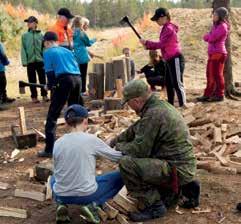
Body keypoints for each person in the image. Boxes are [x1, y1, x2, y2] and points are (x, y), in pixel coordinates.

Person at [110, 80, 200, 222]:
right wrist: (113, 141)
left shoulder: (153, 114)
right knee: (143, 159)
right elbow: (134, 129)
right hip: (181, 165)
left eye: (129, 103)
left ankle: (154, 207)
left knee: (127, 163)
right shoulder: (158, 106)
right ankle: (185, 187)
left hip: (175, 168)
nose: (129, 107)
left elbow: (139, 151)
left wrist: (118, 147)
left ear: (137, 101)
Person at [51, 104, 123, 223]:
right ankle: (92, 205)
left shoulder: (58, 142)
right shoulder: (91, 140)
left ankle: (61, 205)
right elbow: (117, 158)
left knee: (53, 178)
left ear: (67, 123)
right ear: (85, 121)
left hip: (62, 194)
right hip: (86, 195)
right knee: (120, 176)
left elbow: (59, 168)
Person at [37, 32, 84, 158]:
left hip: (65, 80)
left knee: (53, 115)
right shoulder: (67, 50)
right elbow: (75, 66)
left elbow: (50, 73)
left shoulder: (47, 52)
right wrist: (52, 84)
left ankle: (49, 149)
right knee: (74, 113)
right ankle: (78, 145)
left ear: (46, 42)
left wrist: (50, 85)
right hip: (78, 79)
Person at [140, 8, 186, 107]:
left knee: (177, 83)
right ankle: (170, 105)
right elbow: (161, 44)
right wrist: (148, 45)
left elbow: (161, 44)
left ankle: (183, 105)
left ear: (164, 17)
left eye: (157, 19)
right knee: (169, 83)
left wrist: (147, 43)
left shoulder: (169, 29)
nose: (156, 21)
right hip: (169, 59)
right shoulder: (165, 28)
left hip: (176, 58)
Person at [197, 7, 229, 102]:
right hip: (213, 53)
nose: (213, 16)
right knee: (210, 74)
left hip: (218, 53)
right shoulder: (215, 26)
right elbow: (209, 36)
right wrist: (208, 36)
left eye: (215, 15)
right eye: (213, 14)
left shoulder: (223, 26)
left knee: (217, 75)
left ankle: (220, 95)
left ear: (220, 16)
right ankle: (208, 94)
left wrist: (208, 36)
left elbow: (211, 38)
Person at [21, 16, 48, 103]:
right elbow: (23, 49)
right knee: (32, 80)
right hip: (30, 62)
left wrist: (45, 59)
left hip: (40, 61)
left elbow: (44, 48)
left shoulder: (41, 35)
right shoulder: (25, 36)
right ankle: (34, 97)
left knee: (42, 78)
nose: (28, 23)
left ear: (35, 23)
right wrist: (24, 61)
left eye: (30, 22)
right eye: (27, 22)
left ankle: (44, 95)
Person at [72, 16, 96, 95]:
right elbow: (88, 43)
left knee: (75, 74)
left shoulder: (71, 32)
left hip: (73, 56)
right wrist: (95, 40)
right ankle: (82, 91)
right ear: (81, 24)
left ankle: (75, 91)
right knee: (83, 74)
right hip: (82, 56)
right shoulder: (82, 33)